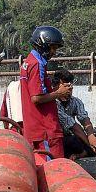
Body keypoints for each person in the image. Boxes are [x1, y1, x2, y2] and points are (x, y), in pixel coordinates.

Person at [19, 25, 72, 159]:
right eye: (52, 47)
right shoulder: (37, 64)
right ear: (42, 44)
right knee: (53, 168)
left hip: (37, 129)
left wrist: (56, 91)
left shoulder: (29, 62)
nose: (54, 52)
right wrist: (59, 93)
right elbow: (36, 98)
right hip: (44, 130)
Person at [52, 68, 96, 159]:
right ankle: (89, 151)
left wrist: (91, 136)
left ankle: (84, 153)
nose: (69, 90)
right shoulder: (53, 103)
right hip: (62, 138)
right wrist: (91, 144)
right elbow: (73, 126)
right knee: (73, 141)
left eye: (70, 87)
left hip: (76, 136)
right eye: (66, 87)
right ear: (57, 87)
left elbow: (85, 119)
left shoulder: (75, 101)